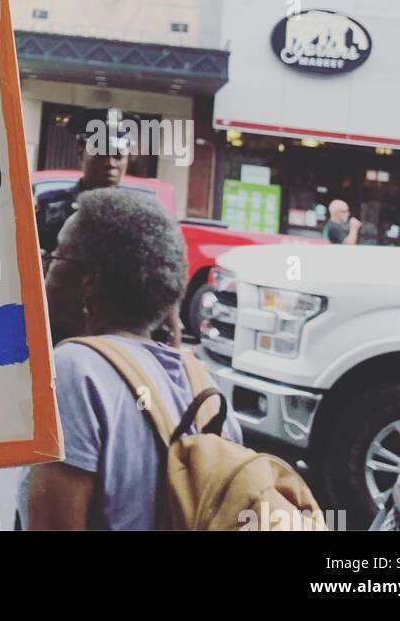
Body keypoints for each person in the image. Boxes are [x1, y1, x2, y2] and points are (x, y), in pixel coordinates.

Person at [21, 187, 241, 530]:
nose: (45, 267)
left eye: (55, 256)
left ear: (88, 282)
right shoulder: (205, 387)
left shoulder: (74, 371)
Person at [35, 107, 132, 252]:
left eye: (118, 156)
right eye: (101, 154)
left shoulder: (133, 213)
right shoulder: (50, 206)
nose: (110, 163)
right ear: (81, 153)